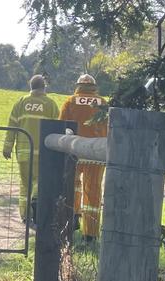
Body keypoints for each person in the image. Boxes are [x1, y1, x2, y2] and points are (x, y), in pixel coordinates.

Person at [3, 75, 60, 223]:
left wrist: (7, 147)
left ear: (30, 87)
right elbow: (57, 128)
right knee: (40, 182)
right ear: (44, 87)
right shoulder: (50, 104)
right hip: (44, 153)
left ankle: (25, 215)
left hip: (24, 153)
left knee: (25, 184)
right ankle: (37, 210)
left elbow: (12, 125)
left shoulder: (21, 103)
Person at [58, 74, 107, 242]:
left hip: (74, 152)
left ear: (78, 85)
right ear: (94, 86)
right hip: (97, 154)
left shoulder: (70, 101)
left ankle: (72, 219)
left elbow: (61, 125)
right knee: (93, 191)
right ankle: (91, 233)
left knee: (72, 187)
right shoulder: (103, 102)